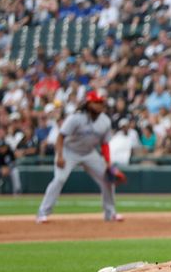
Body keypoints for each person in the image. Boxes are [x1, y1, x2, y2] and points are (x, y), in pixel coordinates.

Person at [36, 91, 124, 223]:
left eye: (101, 102)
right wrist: (60, 156)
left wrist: (108, 163)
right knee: (59, 179)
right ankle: (42, 213)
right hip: (68, 151)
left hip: (89, 152)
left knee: (107, 179)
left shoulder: (105, 120)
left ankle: (110, 213)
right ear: (88, 104)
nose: (100, 105)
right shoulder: (75, 118)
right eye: (96, 102)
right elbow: (60, 137)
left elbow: (105, 144)